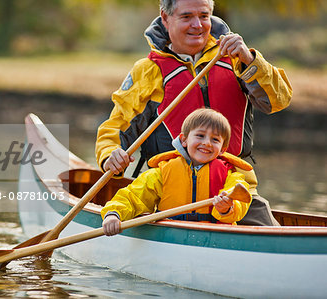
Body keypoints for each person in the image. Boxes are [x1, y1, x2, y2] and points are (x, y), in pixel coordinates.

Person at [95, 0, 292, 226]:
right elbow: (115, 128)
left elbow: (280, 99)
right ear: (166, 18)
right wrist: (110, 154)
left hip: (233, 188)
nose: (197, 25)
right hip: (167, 190)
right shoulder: (148, 70)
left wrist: (249, 59)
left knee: (274, 238)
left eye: (204, 16)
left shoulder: (236, 57)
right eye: (187, 17)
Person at [102, 108, 252, 236]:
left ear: (223, 149)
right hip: (171, 235)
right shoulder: (162, 172)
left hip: (214, 238)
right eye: (200, 136)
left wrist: (227, 209)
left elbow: (241, 199)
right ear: (184, 140)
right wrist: (113, 214)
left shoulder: (231, 177)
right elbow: (133, 196)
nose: (207, 143)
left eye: (215, 140)